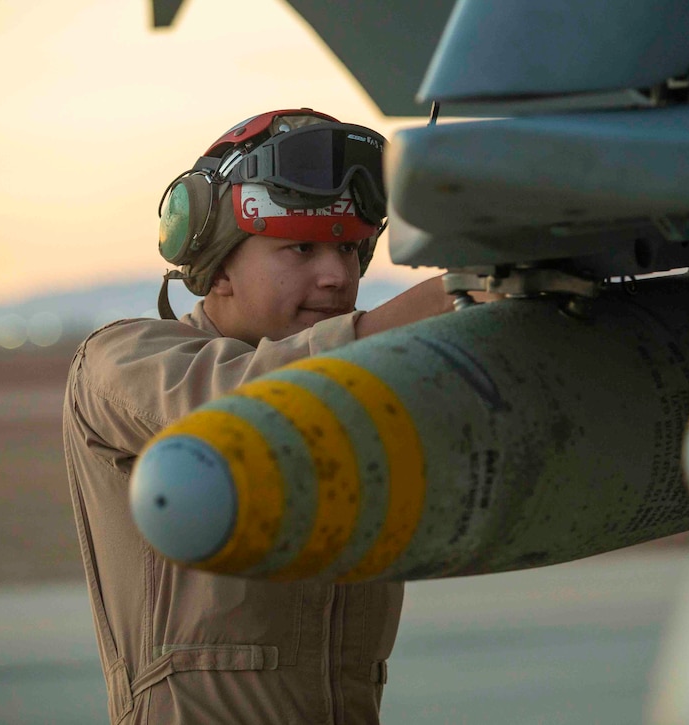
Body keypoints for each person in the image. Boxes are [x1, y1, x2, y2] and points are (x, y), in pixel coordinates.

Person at [63, 109, 458, 724]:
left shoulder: (368, 378)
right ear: (217, 264)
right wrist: (453, 294)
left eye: (349, 248)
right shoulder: (124, 361)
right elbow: (253, 406)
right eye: (300, 247)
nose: (336, 276)